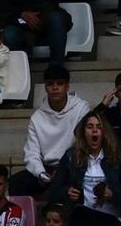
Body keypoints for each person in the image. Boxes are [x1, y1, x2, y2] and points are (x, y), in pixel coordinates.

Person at [8, 65, 91, 197]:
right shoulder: (37, 117)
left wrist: (62, 171)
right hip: (47, 168)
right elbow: (32, 152)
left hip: (72, 166)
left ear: (67, 87)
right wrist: (40, 173)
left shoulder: (81, 109)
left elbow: (83, 144)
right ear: (46, 88)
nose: (55, 88)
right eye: (50, 84)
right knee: (16, 183)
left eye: (60, 83)